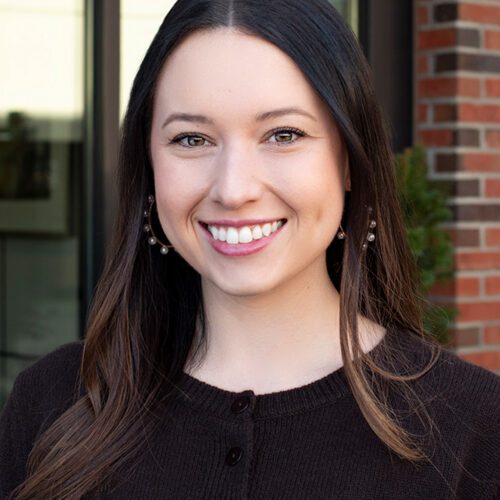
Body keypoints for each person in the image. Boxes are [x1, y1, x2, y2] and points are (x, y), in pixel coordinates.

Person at [1, 0, 499, 498]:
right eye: (192, 139)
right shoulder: (52, 401)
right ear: (148, 166)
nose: (233, 189)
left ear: (349, 160)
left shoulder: (475, 427)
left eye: (284, 134)